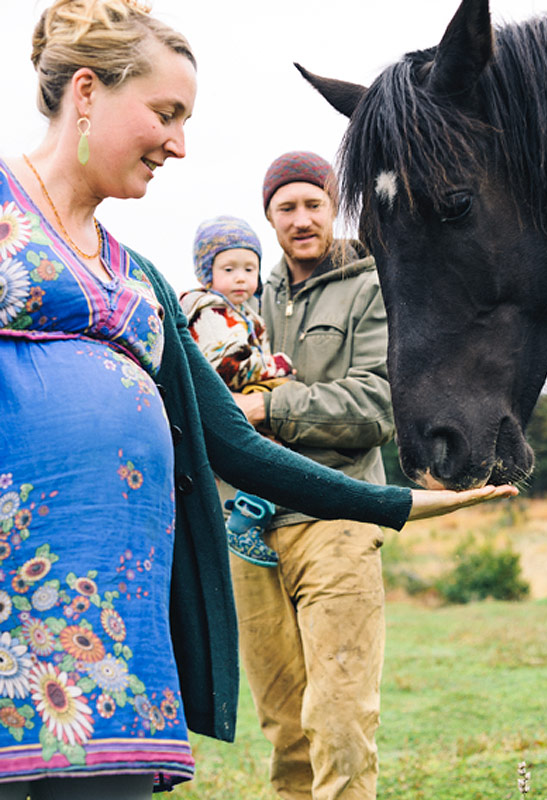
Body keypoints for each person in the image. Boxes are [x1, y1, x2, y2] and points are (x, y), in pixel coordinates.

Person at [0, 3, 517, 799]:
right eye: (167, 114)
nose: (180, 143)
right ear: (88, 92)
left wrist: (396, 504)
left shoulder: (137, 278)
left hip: (113, 650)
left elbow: (235, 444)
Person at [228, 150, 409, 800]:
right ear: (269, 216)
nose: (301, 219)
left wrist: (272, 406)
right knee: (284, 728)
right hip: (251, 529)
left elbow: (380, 402)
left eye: (314, 204)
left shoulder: (374, 285)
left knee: (338, 719)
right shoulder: (246, 297)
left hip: (337, 520)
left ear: (336, 207)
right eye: (287, 207)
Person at [180, 214, 293, 567]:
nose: (241, 277)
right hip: (223, 399)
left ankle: (250, 518)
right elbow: (228, 363)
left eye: (249, 268)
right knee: (264, 459)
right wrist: (277, 367)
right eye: (228, 269)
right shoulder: (209, 311)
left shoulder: (244, 313)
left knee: (268, 458)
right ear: (206, 273)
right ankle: (242, 527)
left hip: (238, 399)